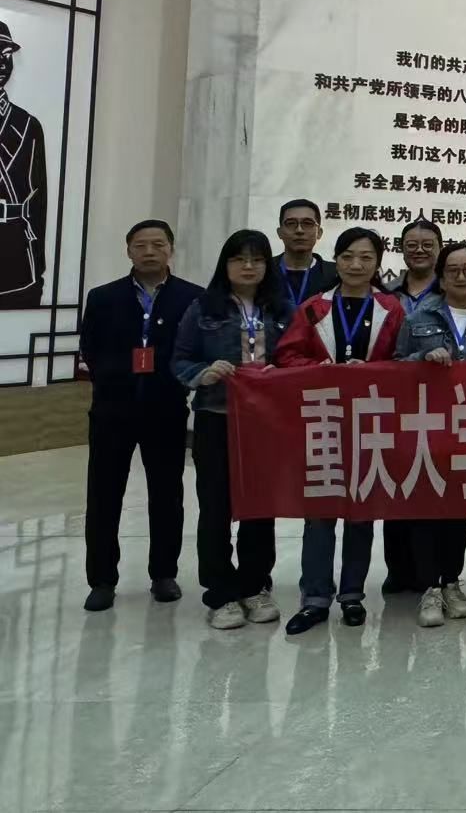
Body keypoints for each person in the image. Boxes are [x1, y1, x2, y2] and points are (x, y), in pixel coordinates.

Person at [275, 226, 403, 633]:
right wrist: (320, 369)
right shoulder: (315, 307)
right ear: (336, 260)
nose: (356, 265)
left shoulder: (391, 308)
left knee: (361, 512)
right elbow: (287, 355)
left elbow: (403, 363)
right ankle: (314, 598)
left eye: (366, 257)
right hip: (323, 419)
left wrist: (373, 372)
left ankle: (352, 595)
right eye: (348, 256)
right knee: (319, 514)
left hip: (370, 420)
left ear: (378, 263)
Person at [78, 220, 203, 612]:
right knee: (104, 494)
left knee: (167, 494)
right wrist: (115, 380)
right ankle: (102, 580)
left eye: (158, 244)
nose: (149, 251)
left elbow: (195, 350)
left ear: (171, 249)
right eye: (140, 245)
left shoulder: (192, 297)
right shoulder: (103, 297)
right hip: (112, 410)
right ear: (128, 250)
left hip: (166, 409)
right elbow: (90, 348)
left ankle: (163, 574)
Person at [172, 230, 291, 630]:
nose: (248, 266)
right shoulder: (202, 308)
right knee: (216, 508)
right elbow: (180, 359)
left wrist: (283, 372)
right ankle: (220, 592)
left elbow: (297, 358)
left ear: (267, 266)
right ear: (225, 265)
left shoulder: (283, 310)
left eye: (257, 259)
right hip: (216, 417)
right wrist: (203, 373)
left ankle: (255, 586)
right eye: (239, 259)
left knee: (260, 506)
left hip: (266, 424)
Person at [395, 241, 466, 628]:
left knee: (459, 511)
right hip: (427, 427)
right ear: (441, 278)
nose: (461, 276)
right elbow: (395, 369)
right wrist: (421, 359)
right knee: (426, 509)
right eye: (453, 270)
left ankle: (450, 582)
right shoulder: (417, 320)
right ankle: (428, 587)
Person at [381, 217, 444, 595]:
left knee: (434, 488)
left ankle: (431, 573)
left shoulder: (451, 292)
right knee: (395, 485)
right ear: (401, 249)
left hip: (441, 406)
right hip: (394, 404)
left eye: (427, 244)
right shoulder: (385, 293)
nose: (419, 251)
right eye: (411, 245)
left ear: (439, 249)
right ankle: (398, 569)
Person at [0, 21, 47, 307]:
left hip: (16, 253)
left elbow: (39, 201)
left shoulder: (28, 124)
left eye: (6, 54)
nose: (2, 63)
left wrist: (38, 262)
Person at [275, 199, 335, 310]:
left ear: (319, 232)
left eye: (307, 223)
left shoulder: (334, 274)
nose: (299, 230)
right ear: (280, 232)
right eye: (291, 223)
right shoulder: (265, 270)